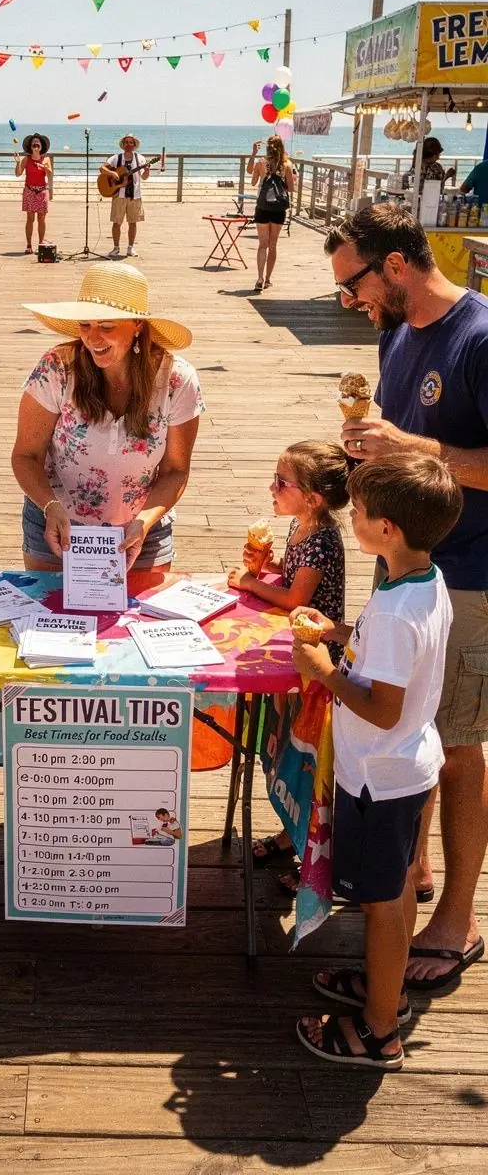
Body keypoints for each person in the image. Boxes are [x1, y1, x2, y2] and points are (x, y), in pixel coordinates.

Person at [326, 204, 488, 991]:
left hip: (473, 572)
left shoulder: (479, 337)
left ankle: (457, 918)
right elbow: (403, 429)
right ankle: (409, 865)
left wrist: (411, 447)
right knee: (410, 717)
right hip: (403, 562)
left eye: (352, 284)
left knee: (458, 742)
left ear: (394, 266)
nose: (350, 302)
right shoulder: (395, 332)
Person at [291, 454, 462, 1071]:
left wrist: (325, 672)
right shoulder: (420, 580)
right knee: (388, 894)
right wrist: (340, 634)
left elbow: (384, 707)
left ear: (386, 528)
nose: (352, 519)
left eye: (360, 513)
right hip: (404, 769)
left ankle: (379, 1028)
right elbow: (389, 659)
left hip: (378, 778)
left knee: (384, 903)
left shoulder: (393, 611)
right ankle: (380, 985)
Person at [12, 262, 204, 572]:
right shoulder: (56, 367)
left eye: (106, 326)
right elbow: (26, 455)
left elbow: (175, 470)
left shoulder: (177, 379)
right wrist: (51, 507)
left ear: (138, 326)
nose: (92, 338)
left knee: (140, 620)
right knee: (47, 616)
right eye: (85, 325)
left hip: (142, 531)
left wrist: (144, 521)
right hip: (57, 528)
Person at [227, 440, 349, 882]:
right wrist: (268, 563)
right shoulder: (302, 527)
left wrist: (249, 582)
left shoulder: (319, 541)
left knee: (308, 760)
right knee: (288, 752)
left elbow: (297, 596)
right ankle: (290, 834)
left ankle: (315, 852)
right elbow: (295, 577)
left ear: (313, 498)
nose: (271, 488)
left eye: (282, 482)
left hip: (318, 667)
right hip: (297, 655)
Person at [249, 135, 294, 292]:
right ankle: (268, 279)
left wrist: (254, 154)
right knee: (273, 245)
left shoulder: (261, 163)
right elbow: (291, 189)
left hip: (262, 208)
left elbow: (253, 181)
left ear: (268, 147)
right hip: (278, 210)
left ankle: (259, 278)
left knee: (263, 245)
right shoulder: (287, 164)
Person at [102, 134, 150, 260]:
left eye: (131, 142)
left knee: (133, 222)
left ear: (134, 145)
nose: (129, 144)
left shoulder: (140, 159)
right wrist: (112, 173)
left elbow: (144, 177)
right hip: (119, 195)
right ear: (123, 145)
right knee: (116, 222)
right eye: (126, 142)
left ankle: (130, 247)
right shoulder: (115, 158)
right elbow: (102, 169)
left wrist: (147, 171)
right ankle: (116, 248)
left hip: (135, 195)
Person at [15, 133, 52, 254]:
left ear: (41, 146)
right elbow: (18, 173)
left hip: (42, 191)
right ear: (30, 147)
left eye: (38, 144)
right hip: (29, 190)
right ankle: (29, 245)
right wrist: (17, 162)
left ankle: (41, 242)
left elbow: (50, 174)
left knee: (41, 218)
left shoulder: (46, 159)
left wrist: (45, 167)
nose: (36, 146)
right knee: (30, 218)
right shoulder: (26, 159)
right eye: (34, 144)